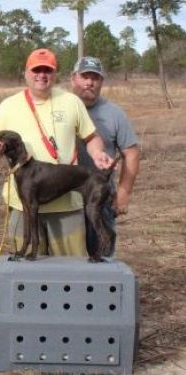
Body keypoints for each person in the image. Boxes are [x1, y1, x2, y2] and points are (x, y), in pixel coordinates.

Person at [0, 48, 114, 257]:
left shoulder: (72, 102)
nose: (42, 75)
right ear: (26, 73)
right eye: (37, 70)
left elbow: (91, 137)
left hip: (67, 209)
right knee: (26, 275)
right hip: (22, 208)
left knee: (70, 276)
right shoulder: (8, 106)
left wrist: (98, 153)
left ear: (55, 75)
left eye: (48, 70)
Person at [71, 56, 140, 256]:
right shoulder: (61, 108)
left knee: (101, 256)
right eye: (85, 76)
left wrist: (123, 193)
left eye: (96, 78)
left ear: (101, 82)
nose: (89, 82)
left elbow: (132, 154)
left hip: (99, 197)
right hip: (64, 198)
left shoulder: (115, 114)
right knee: (65, 261)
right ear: (73, 78)